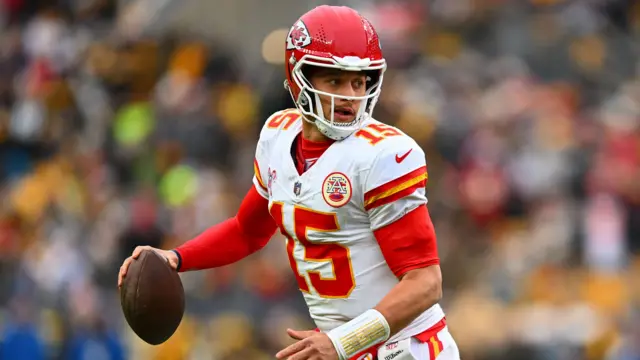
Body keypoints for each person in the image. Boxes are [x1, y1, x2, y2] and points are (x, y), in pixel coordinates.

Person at [118, 5, 460, 360]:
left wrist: (343, 341)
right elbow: (246, 231)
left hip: (404, 349)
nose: (350, 94)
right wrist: (175, 258)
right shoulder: (278, 136)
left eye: (359, 81)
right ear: (301, 79)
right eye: (335, 80)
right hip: (341, 347)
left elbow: (425, 283)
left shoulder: (383, 155)